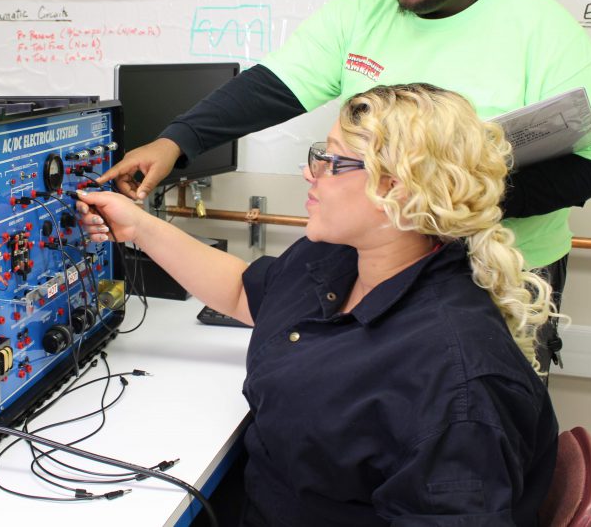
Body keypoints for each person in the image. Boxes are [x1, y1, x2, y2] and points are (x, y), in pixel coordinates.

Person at [98, 0, 591, 372]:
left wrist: (438, 202)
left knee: (479, 409)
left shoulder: (542, 29)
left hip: (502, 271)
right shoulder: (362, 14)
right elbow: (269, 88)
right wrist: (176, 143)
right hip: (382, 266)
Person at [78, 83, 560, 526]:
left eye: (332, 161)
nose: (310, 172)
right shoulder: (340, 255)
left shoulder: (456, 382)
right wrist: (138, 226)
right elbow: (244, 293)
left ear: (396, 187)